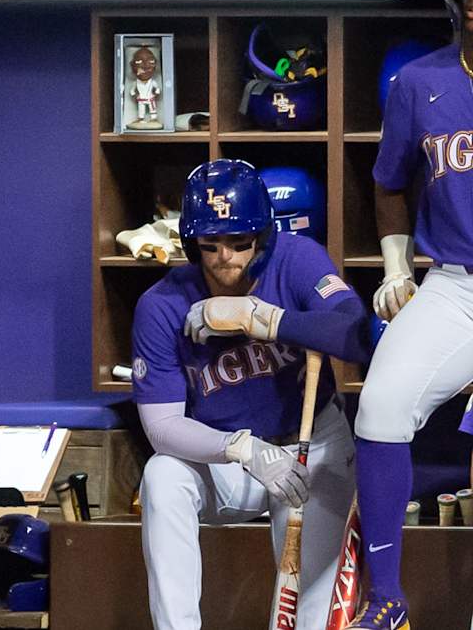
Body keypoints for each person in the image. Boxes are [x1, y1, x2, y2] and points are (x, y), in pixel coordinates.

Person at [131, 159, 370, 630]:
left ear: (262, 237)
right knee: (162, 476)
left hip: (310, 449)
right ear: (190, 243)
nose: (226, 257)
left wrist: (262, 318)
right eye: (211, 245)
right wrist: (241, 449)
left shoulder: (297, 259)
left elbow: (355, 332)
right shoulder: (161, 304)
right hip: (228, 460)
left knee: (310, 616)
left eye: (239, 243)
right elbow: (161, 429)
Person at [347, 0, 473, 626]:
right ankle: (387, 596)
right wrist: (397, 269)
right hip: (455, 286)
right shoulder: (419, 80)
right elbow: (390, 179)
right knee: (381, 406)